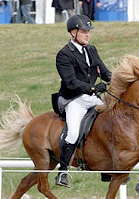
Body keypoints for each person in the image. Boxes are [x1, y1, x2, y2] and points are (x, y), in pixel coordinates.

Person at [54, 14, 111, 187]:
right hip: (74, 99)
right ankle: (63, 171)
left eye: (88, 32)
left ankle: (107, 168)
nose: (87, 34)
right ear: (73, 32)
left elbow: (104, 71)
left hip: (91, 98)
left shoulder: (91, 50)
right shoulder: (64, 55)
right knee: (72, 133)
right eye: (84, 32)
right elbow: (71, 82)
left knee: (110, 122)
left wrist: (116, 81)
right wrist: (93, 88)